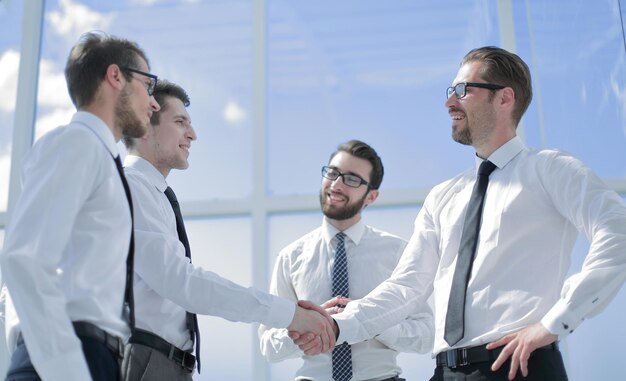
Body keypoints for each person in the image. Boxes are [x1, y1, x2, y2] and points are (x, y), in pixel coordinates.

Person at [294, 46, 626, 381]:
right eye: (451, 91)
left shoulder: (550, 170)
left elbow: (618, 232)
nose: (449, 102)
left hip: (518, 366)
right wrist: (337, 325)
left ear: (504, 98)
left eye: (463, 90)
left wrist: (556, 322)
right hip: (445, 371)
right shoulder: (443, 196)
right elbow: (407, 286)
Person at [120, 80, 335, 380]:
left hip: (164, 362)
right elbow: (181, 281)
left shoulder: (151, 193)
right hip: (146, 360)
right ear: (145, 124)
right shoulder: (131, 187)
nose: (192, 135)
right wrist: (291, 316)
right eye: (180, 122)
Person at [1, 31, 160, 381]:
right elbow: (24, 259)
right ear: (115, 76)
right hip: (68, 357)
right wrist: (68, 370)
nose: (154, 103)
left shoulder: (99, 157)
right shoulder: (77, 144)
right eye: (148, 86)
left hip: (91, 358)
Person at [259, 139, 434, 381]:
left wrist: (371, 320)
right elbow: (268, 346)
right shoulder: (290, 258)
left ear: (371, 196)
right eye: (332, 173)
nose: (337, 184)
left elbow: (425, 336)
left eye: (352, 179)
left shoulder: (397, 253)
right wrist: (304, 326)